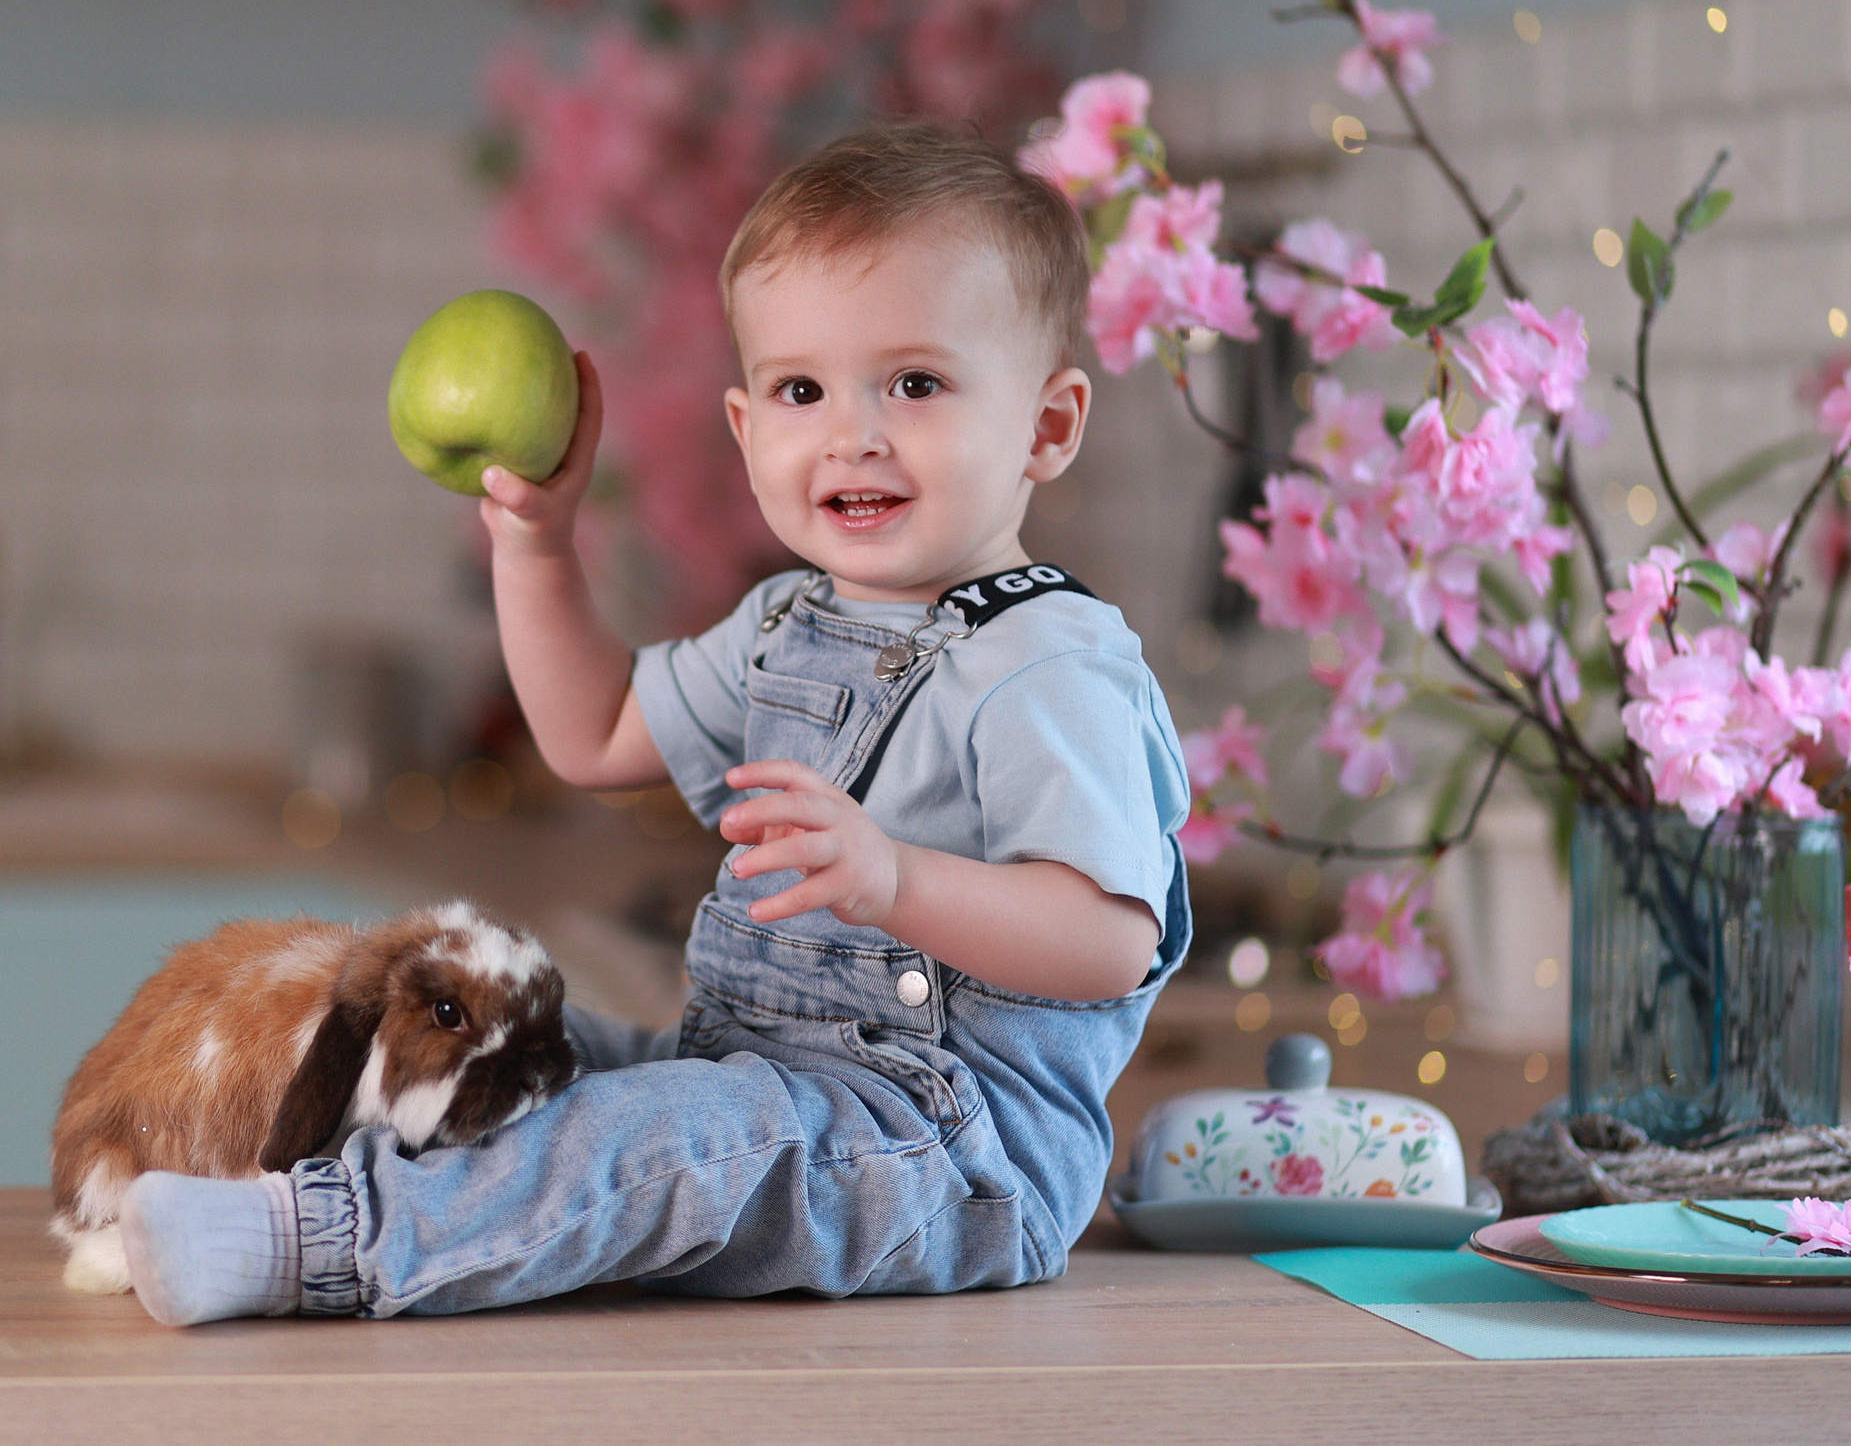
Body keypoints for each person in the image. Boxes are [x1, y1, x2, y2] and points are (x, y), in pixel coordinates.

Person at [120, 120, 1192, 1325]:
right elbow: (595, 734)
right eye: (802, 389)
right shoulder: (792, 620)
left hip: (944, 1159)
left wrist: (895, 880)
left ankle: (318, 1244)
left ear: (1047, 426)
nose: (853, 432)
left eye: (917, 383)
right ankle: (243, 1168)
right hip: (758, 1083)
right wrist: (535, 543)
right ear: (747, 431)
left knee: (681, 1130)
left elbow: (1107, 938)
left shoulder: (1049, 665)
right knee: (497, 1036)